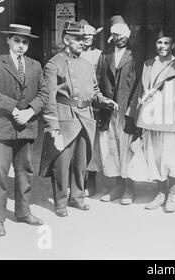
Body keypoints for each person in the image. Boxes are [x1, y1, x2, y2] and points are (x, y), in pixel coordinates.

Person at [39, 21, 118, 217]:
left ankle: (77, 197)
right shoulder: (53, 64)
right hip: (65, 116)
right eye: (79, 39)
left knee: (81, 162)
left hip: (86, 117)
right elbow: (48, 98)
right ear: (66, 40)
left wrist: (104, 100)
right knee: (61, 163)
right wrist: (52, 126)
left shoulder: (87, 64)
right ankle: (60, 202)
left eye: (84, 39)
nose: (83, 43)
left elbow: (94, 90)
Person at [125, 27, 175, 213]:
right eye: (159, 42)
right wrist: (136, 112)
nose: (162, 46)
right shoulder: (148, 65)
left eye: (166, 43)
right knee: (156, 156)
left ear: (173, 45)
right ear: (155, 44)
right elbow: (141, 90)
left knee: (174, 157)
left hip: (174, 119)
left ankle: (172, 194)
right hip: (152, 118)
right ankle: (161, 193)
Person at [0, 24, 47, 236]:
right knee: (0, 174)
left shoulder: (35, 66)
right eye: (17, 41)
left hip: (26, 127)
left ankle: (23, 212)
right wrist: (14, 108)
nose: (21, 46)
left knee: (25, 172)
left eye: (25, 42)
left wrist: (29, 111)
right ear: (8, 41)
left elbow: (44, 94)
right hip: (2, 129)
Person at [97, 15, 140, 205]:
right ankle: (118, 185)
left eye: (122, 34)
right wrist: (103, 101)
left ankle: (130, 187)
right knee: (112, 147)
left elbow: (140, 84)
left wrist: (133, 108)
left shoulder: (136, 55)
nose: (118, 38)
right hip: (109, 110)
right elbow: (98, 82)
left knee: (127, 147)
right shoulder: (105, 55)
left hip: (127, 109)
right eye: (115, 34)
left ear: (128, 35)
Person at [79, 19, 103, 197]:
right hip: (75, 102)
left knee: (92, 143)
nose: (87, 37)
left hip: (93, 103)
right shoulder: (74, 52)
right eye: (84, 34)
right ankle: (77, 180)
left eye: (90, 35)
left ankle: (91, 179)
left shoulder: (100, 55)